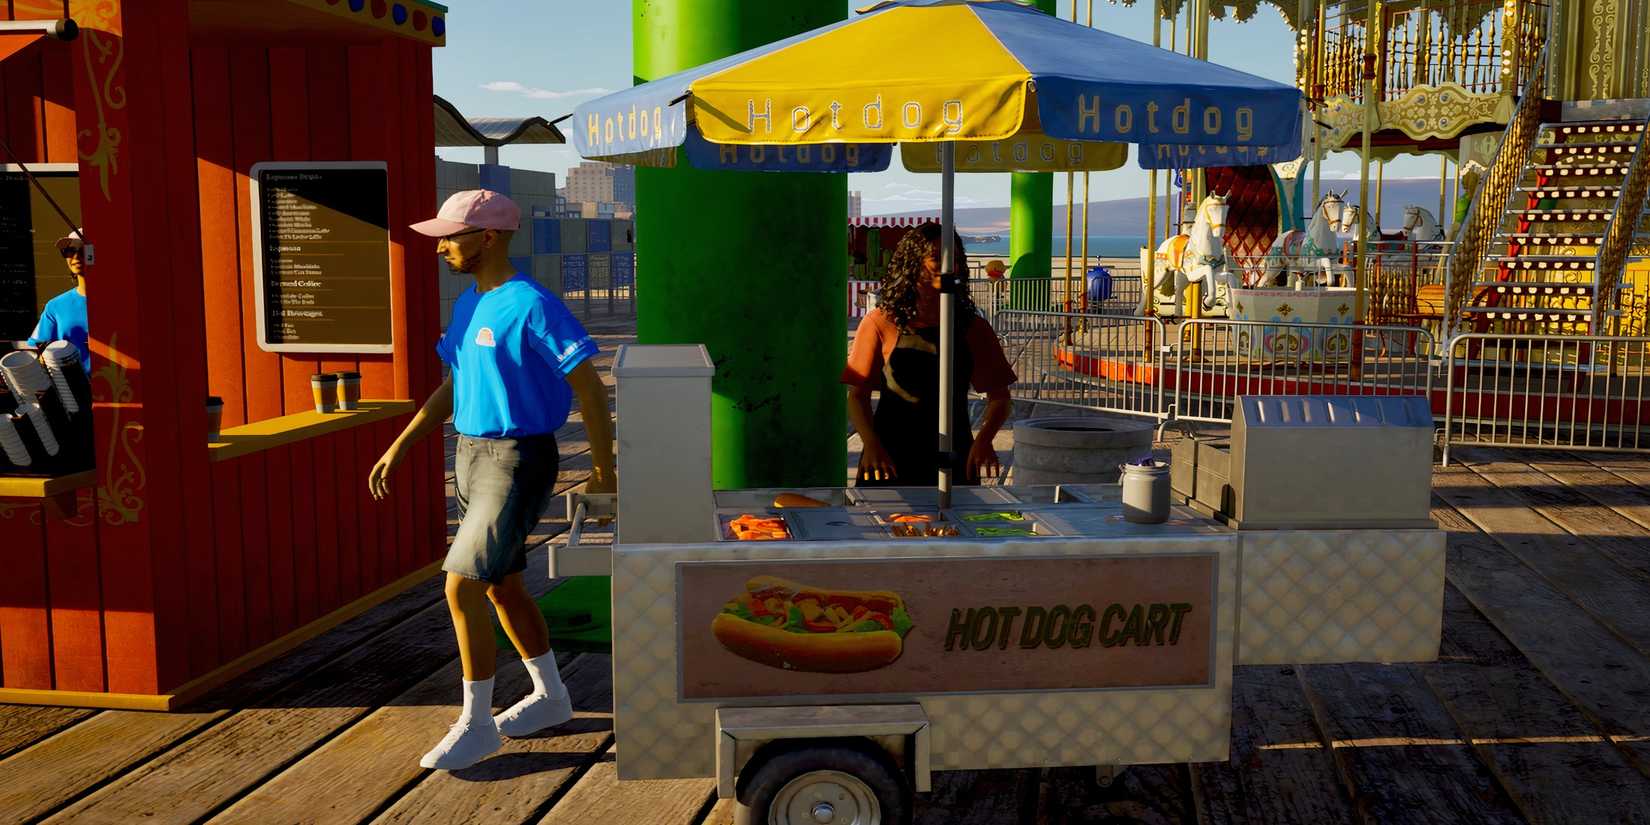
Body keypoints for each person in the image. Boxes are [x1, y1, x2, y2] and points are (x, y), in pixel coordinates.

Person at [368, 189, 615, 771]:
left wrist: (605, 476)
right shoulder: (469, 304)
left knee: (461, 585)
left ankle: (476, 724)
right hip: (471, 456)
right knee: (502, 585)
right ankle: (552, 698)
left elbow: (590, 389)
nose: (442, 247)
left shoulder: (534, 305)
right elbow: (454, 383)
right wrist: (403, 443)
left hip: (517, 459)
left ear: (490, 237)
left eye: (451, 236)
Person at [843, 222, 1015, 487]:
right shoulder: (880, 322)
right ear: (912, 264)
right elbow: (857, 395)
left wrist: (983, 440)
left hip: (954, 452)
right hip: (888, 456)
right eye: (937, 257)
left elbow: (1000, 398)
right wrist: (871, 444)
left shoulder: (972, 327)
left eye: (956, 259)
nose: (950, 266)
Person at [27, 228, 91, 372]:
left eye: (82, 250)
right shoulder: (55, 306)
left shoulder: (123, 302)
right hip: (71, 391)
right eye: (69, 251)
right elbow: (38, 348)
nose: (75, 256)